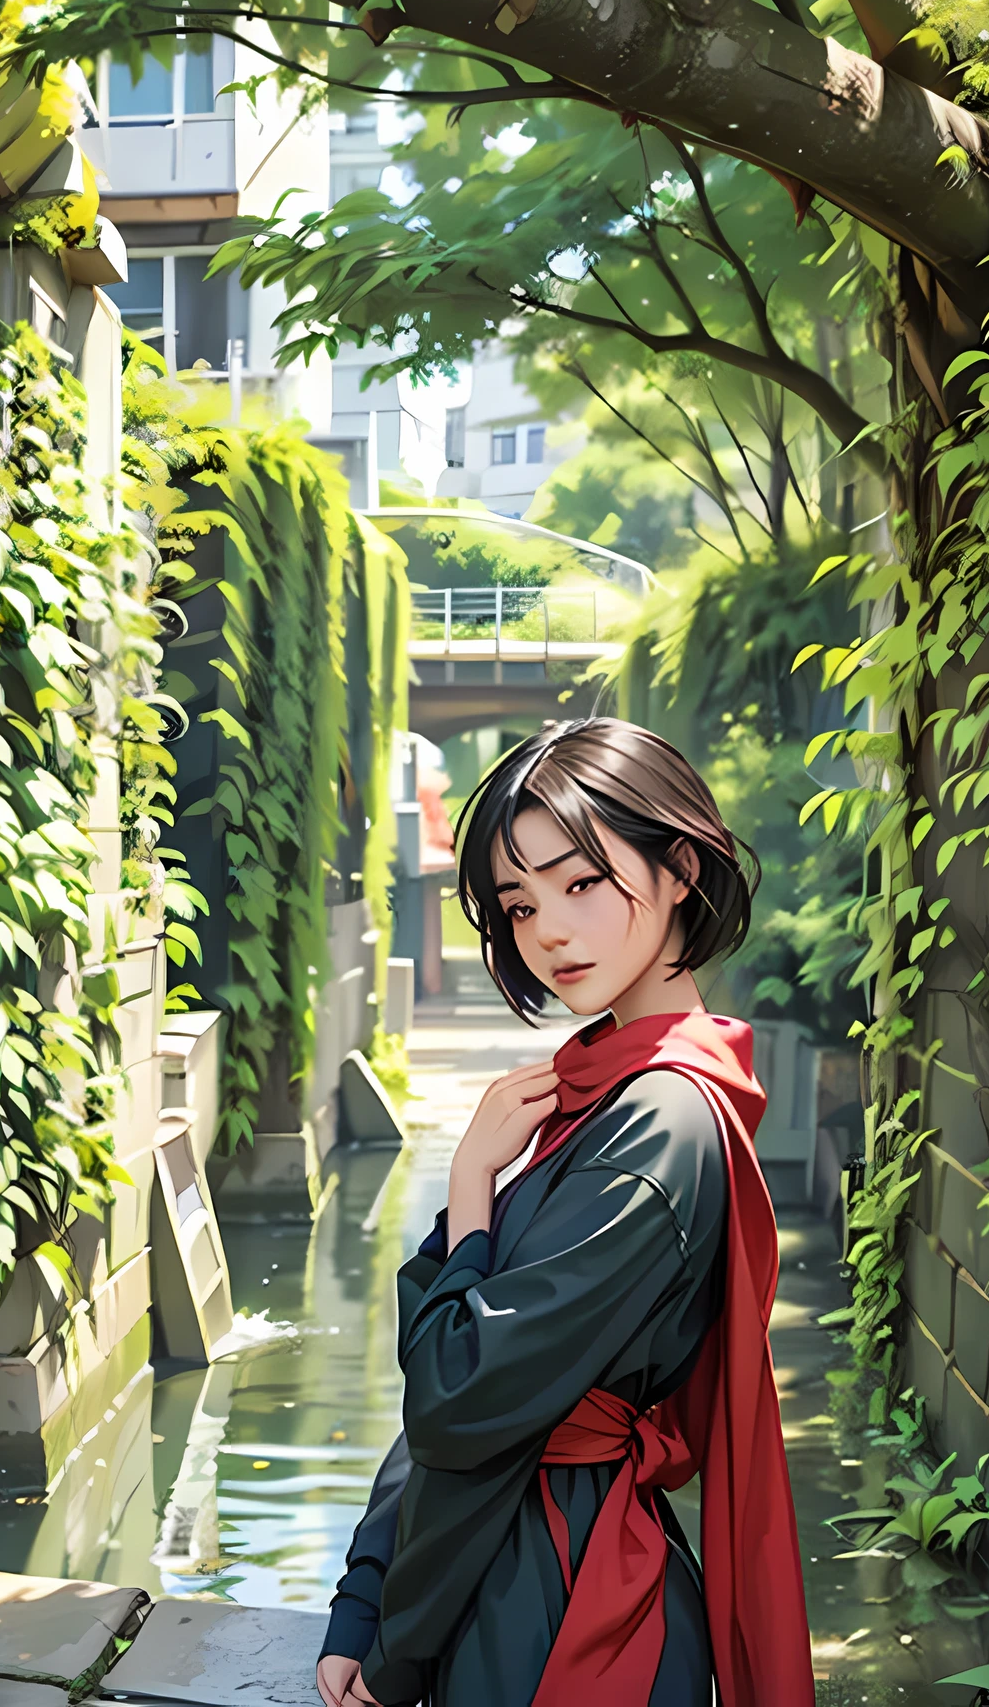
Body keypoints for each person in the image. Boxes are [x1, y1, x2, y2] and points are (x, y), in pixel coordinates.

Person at [316, 718, 814, 1707]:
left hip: (571, 1617)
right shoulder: (589, 1089)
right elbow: (450, 1392)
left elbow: (463, 1390)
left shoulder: (659, 1122)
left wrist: (470, 1189)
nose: (545, 927)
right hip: (505, 1579)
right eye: (518, 901)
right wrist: (364, 1599)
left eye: (579, 881)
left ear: (676, 868)